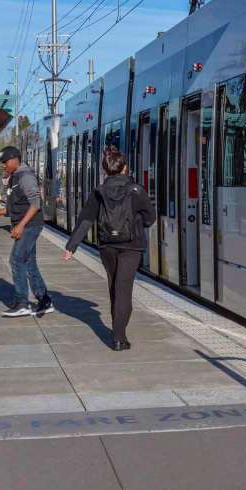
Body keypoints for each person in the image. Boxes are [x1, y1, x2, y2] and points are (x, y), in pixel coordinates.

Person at [63, 149, 155, 351]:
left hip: (107, 245)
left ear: (104, 171)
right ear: (125, 168)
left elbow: (86, 219)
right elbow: (150, 217)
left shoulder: (98, 192)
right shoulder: (137, 191)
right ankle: (119, 337)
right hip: (132, 246)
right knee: (124, 290)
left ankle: (117, 334)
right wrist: (139, 222)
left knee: (114, 287)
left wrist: (72, 246)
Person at [0, 146, 53, 317]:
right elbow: (12, 208)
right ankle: (44, 300)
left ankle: (22, 302)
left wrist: (20, 225)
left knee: (15, 260)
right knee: (29, 263)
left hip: (30, 225)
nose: (3, 165)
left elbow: (36, 203)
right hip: (25, 224)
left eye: (5, 162)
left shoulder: (25, 176)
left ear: (15, 159)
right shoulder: (14, 178)